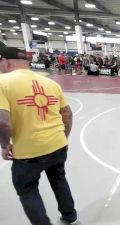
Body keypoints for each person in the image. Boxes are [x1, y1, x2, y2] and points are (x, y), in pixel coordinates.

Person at [0, 46, 77, 225]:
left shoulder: (2, 82)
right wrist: (63, 138)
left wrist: (4, 145)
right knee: (59, 179)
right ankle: (69, 216)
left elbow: (3, 122)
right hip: (57, 144)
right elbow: (67, 114)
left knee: (27, 190)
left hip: (28, 151)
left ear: (6, 61)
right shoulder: (50, 83)